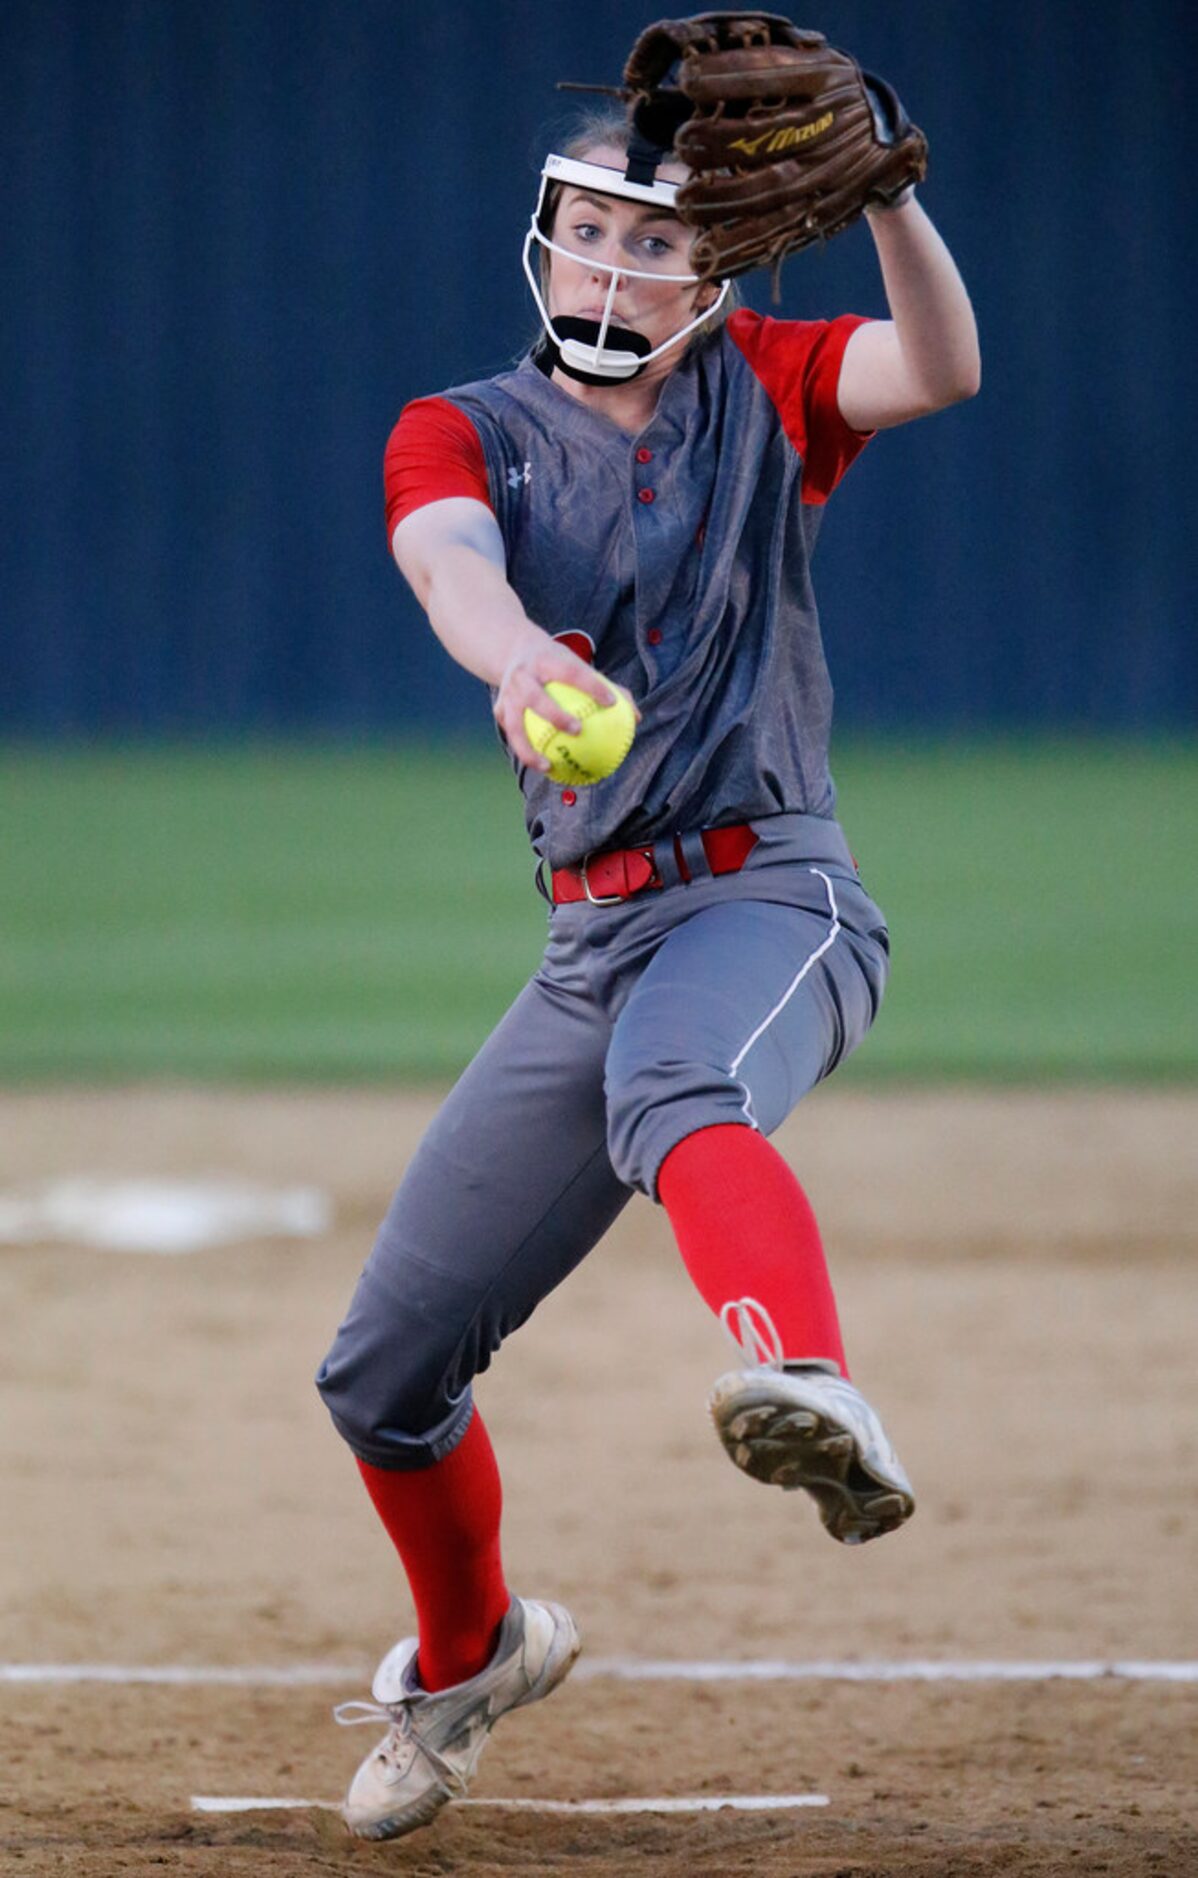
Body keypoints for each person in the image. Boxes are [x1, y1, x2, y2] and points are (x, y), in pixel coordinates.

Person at [316, 57, 980, 1842]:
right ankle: (469, 1655)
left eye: (654, 241)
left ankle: (807, 1379)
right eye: (591, 230)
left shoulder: (768, 387)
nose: (612, 268)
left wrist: (894, 201)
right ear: (545, 241)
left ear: (721, 270)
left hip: (773, 893)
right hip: (586, 940)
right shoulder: (458, 423)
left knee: (678, 1086)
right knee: (381, 1374)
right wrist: (513, 649)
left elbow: (936, 368)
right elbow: (447, 562)